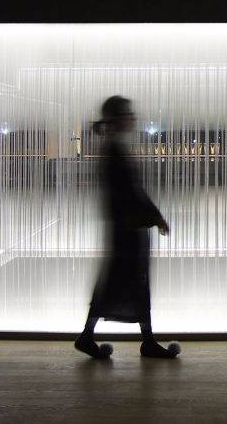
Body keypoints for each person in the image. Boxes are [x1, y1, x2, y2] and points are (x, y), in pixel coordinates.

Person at [75, 95, 180, 359]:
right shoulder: (114, 150)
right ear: (117, 119)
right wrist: (152, 216)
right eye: (128, 113)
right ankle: (143, 341)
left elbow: (131, 191)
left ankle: (91, 336)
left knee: (120, 283)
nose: (133, 118)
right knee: (130, 282)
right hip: (128, 230)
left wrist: (152, 216)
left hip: (126, 228)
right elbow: (129, 192)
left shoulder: (114, 147)